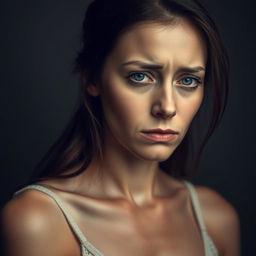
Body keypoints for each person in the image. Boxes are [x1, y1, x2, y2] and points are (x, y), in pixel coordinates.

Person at [1, 0, 240, 255]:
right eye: (140, 76)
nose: (167, 107)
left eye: (189, 80)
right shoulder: (39, 221)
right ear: (91, 78)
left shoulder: (216, 218)